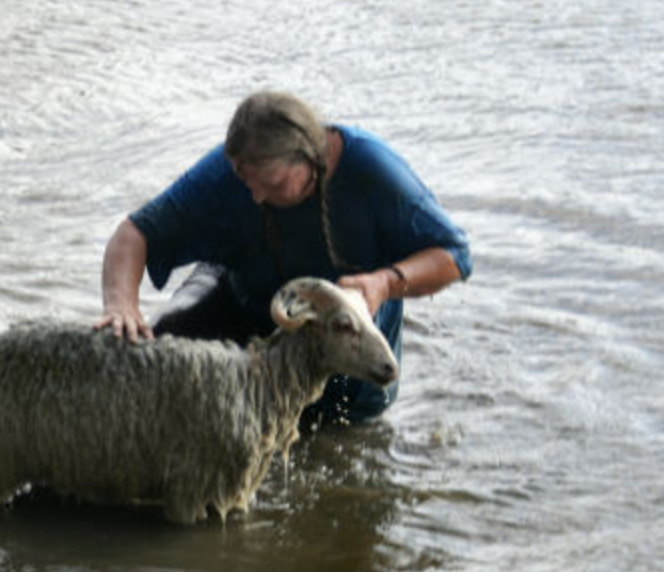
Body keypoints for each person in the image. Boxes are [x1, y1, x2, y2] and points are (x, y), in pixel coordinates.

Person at [95, 90, 472, 428]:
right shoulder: (229, 171)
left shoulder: (370, 168)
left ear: (311, 158)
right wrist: (121, 306)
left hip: (343, 326)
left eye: (273, 185)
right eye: (247, 182)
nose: (256, 197)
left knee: (336, 429)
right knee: (158, 352)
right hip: (242, 298)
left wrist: (386, 282)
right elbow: (133, 235)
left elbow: (453, 255)